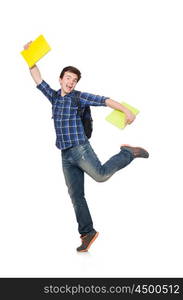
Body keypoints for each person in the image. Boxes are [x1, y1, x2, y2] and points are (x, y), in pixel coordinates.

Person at [24, 41, 149, 252]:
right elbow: (37, 77)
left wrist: (126, 111)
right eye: (68, 78)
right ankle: (87, 232)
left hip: (80, 148)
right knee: (76, 196)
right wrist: (30, 56)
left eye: (74, 80)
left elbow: (104, 100)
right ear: (61, 79)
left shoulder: (78, 97)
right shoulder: (54, 96)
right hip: (65, 154)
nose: (71, 82)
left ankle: (127, 152)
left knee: (100, 175)